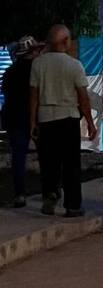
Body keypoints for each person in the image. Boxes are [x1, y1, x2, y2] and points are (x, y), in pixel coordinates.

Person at [29, 24, 96, 217]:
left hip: (45, 118)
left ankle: (50, 193)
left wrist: (32, 122)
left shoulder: (38, 64)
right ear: (65, 41)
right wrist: (90, 122)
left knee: (48, 161)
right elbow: (83, 97)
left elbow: (33, 95)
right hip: (68, 118)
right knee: (71, 163)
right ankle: (73, 204)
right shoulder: (74, 65)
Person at [1, 35, 44, 206]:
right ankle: (49, 190)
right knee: (45, 155)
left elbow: (6, 93)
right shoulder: (37, 71)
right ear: (31, 53)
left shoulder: (9, 72)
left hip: (14, 119)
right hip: (36, 117)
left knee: (18, 157)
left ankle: (19, 193)